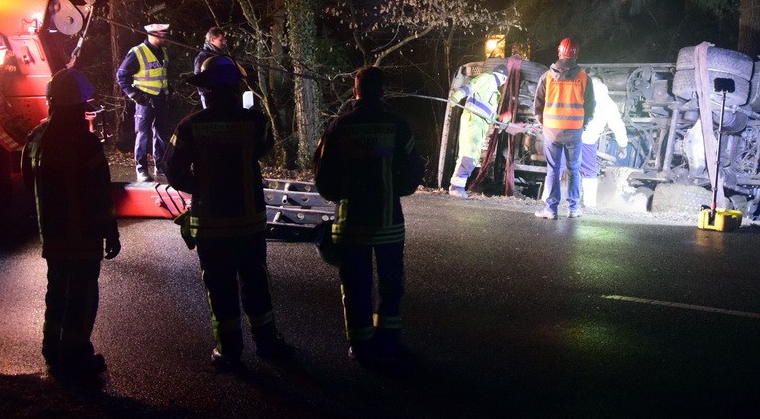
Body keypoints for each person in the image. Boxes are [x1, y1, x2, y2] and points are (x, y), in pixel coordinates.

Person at [165, 55, 289, 370]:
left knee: (219, 286)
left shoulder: (190, 126)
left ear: (206, 90)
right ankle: (266, 343)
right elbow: (261, 149)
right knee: (256, 281)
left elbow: (173, 169)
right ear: (235, 87)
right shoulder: (256, 122)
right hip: (249, 221)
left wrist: (202, 188)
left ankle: (228, 351)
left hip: (211, 223)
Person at [313, 66, 424, 365]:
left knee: (355, 284)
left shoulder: (339, 126)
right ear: (382, 92)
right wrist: (394, 190)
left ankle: (360, 346)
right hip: (389, 221)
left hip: (352, 224)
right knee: (391, 283)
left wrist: (341, 196)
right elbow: (414, 170)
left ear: (355, 91)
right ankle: (388, 342)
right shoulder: (397, 125)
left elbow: (323, 177)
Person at [21, 68, 121, 379]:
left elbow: (28, 182)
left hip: (52, 235)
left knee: (57, 292)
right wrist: (110, 232)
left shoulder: (35, 138)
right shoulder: (86, 143)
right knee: (82, 295)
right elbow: (100, 193)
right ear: (78, 105)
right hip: (84, 235)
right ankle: (76, 355)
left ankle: (52, 349)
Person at [533, 37, 595, 219]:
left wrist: (543, 123)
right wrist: (584, 123)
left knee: (553, 169)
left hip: (552, 131)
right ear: (576, 55)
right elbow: (590, 106)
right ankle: (573, 208)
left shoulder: (547, 76)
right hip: (574, 131)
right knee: (574, 169)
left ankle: (551, 210)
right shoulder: (584, 78)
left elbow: (538, 104)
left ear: (559, 53)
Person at [117, 22, 172, 182]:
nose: (165, 37)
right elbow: (122, 76)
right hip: (145, 101)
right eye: (162, 34)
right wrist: (136, 96)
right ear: (153, 34)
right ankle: (141, 169)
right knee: (143, 136)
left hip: (161, 99)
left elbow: (163, 75)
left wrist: (169, 90)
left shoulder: (164, 52)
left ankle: (160, 166)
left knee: (161, 135)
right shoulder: (137, 52)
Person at [447, 63, 508, 198]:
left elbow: (490, 115)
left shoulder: (494, 91)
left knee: (470, 155)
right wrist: (456, 96)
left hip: (480, 125)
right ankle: (457, 187)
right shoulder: (487, 78)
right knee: (470, 154)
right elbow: (470, 87)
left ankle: (456, 186)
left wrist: (501, 118)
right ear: (504, 77)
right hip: (472, 121)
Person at [579, 73, 629, 210]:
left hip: (569, 135)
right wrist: (623, 145)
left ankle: (547, 198)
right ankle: (589, 204)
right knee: (589, 170)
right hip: (588, 139)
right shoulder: (608, 102)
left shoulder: (578, 91)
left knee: (559, 166)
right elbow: (617, 124)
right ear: (603, 85)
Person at [194, 27, 228, 108]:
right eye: (220, 40)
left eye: (223, 40)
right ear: (212, 40)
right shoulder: (203, 56)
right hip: (209, 96)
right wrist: (207, 92)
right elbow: (198, 76)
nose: (223, 43)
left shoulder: (219, 55)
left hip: (221, 94)